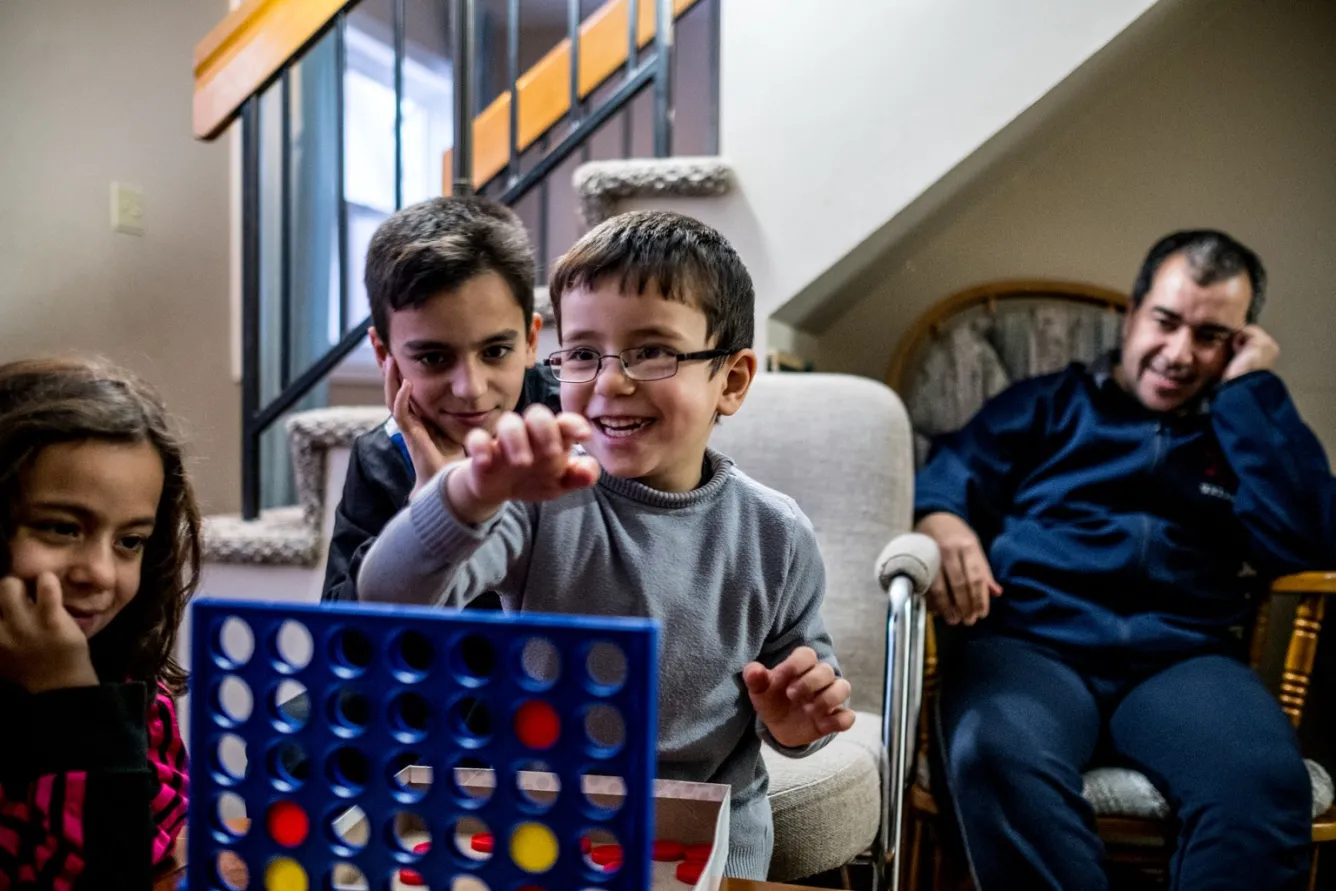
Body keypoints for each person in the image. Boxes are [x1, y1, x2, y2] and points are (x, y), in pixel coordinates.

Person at [357, 210, 856, 879]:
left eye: (653, 351)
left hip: (707, 837)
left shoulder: (778, 532)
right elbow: (388, 594)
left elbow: (800, 713)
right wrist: (466, 492)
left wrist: (798, 721)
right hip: (543, 829)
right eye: (585, 352)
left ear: (731, 381)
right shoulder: (538, 499)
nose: (610, 381)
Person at [915, 229, 1336, 890]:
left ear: (1236, 345)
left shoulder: (1240, 428)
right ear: (1133, 311)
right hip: (1031, 646)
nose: (1178, 353)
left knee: (1263, 783)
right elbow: (953, 470)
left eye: (1210, 336)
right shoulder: (1048, 403)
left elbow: (1310, 538)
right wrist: (941, 518)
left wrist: (1253, 393)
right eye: (1166, 321)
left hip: (1185, 661)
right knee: (992, 752)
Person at [0, 357, 200, 889]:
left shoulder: (134, 682)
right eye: (62, 528)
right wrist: (68, 701)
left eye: (129, 541)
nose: (100, 574)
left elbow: (154, 852)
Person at [321, 196, 560, 604]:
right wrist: (429, 506)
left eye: (495, 351)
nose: (471, 388)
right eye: (433, 358)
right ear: (384, 355)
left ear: (531, 339)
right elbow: (345, 642)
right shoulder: (382, 456)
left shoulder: (573, 426)